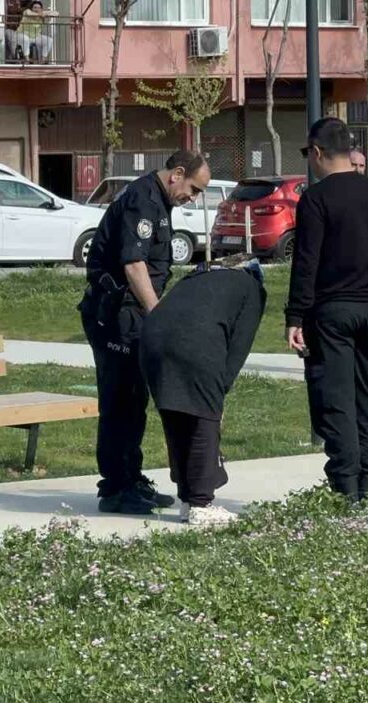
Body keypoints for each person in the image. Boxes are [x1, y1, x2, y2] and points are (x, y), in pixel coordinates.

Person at [78, 149, 212, 514]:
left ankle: (132, 478)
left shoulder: (159, 201)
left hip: (133, 316)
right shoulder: (143, 199)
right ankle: (115, 488)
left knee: (135, 400)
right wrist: (158, 316)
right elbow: (134, 265)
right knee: (119, 402)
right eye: (194, 189)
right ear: (177, 173)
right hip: (116, 316)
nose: (193, 198)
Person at [286, 118, 368, 502]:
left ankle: (345, 487)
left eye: (308, 153)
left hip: (331, 312)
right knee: (367, 395)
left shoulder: (316, 199)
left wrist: (295, 317)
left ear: (318, 152)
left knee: (335, 398)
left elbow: (306, 263)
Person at [141, 254, 266, 526]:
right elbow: (238, 347)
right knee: (203, 420)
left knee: (176, 416)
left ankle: (187, 500)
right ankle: (201, 503)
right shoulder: (250, 288)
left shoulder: (196, 277)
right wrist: (219, 395)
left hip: (151, 339)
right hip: (196, 345)